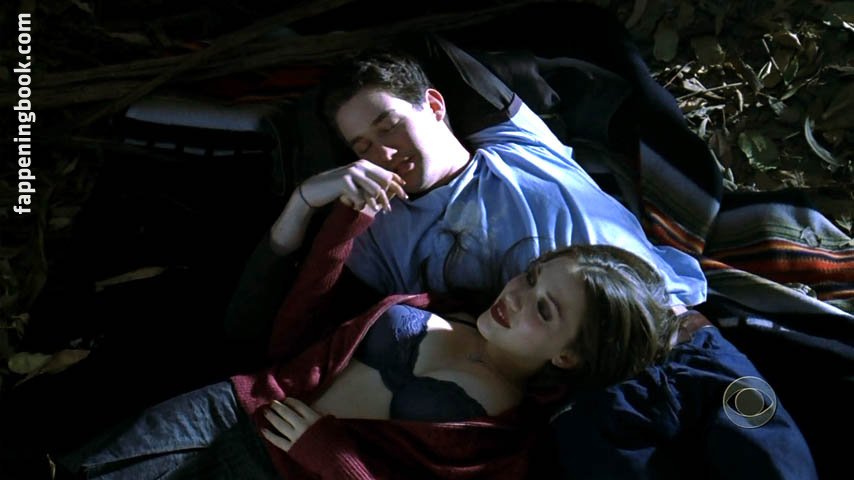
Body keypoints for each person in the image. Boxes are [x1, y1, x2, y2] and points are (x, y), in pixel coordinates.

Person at [58, 244, 686, 479]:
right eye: (530, 276)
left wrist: (334, 458)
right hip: (234, 408)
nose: (516, 295)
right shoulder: (437, 302)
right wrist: (342, 220)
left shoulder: (505, 443)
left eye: (543, 309)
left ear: (568, 355)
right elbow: (298, 328)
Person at [266, 37, 707, 321]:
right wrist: (303, 199)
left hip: (672, 319)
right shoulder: (379, 227)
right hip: (572, 383)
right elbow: (280, 300)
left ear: (434, 106)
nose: (383, 153)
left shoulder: (516, 142)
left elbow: (436, 49)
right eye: (362, 146)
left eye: (390, 126)